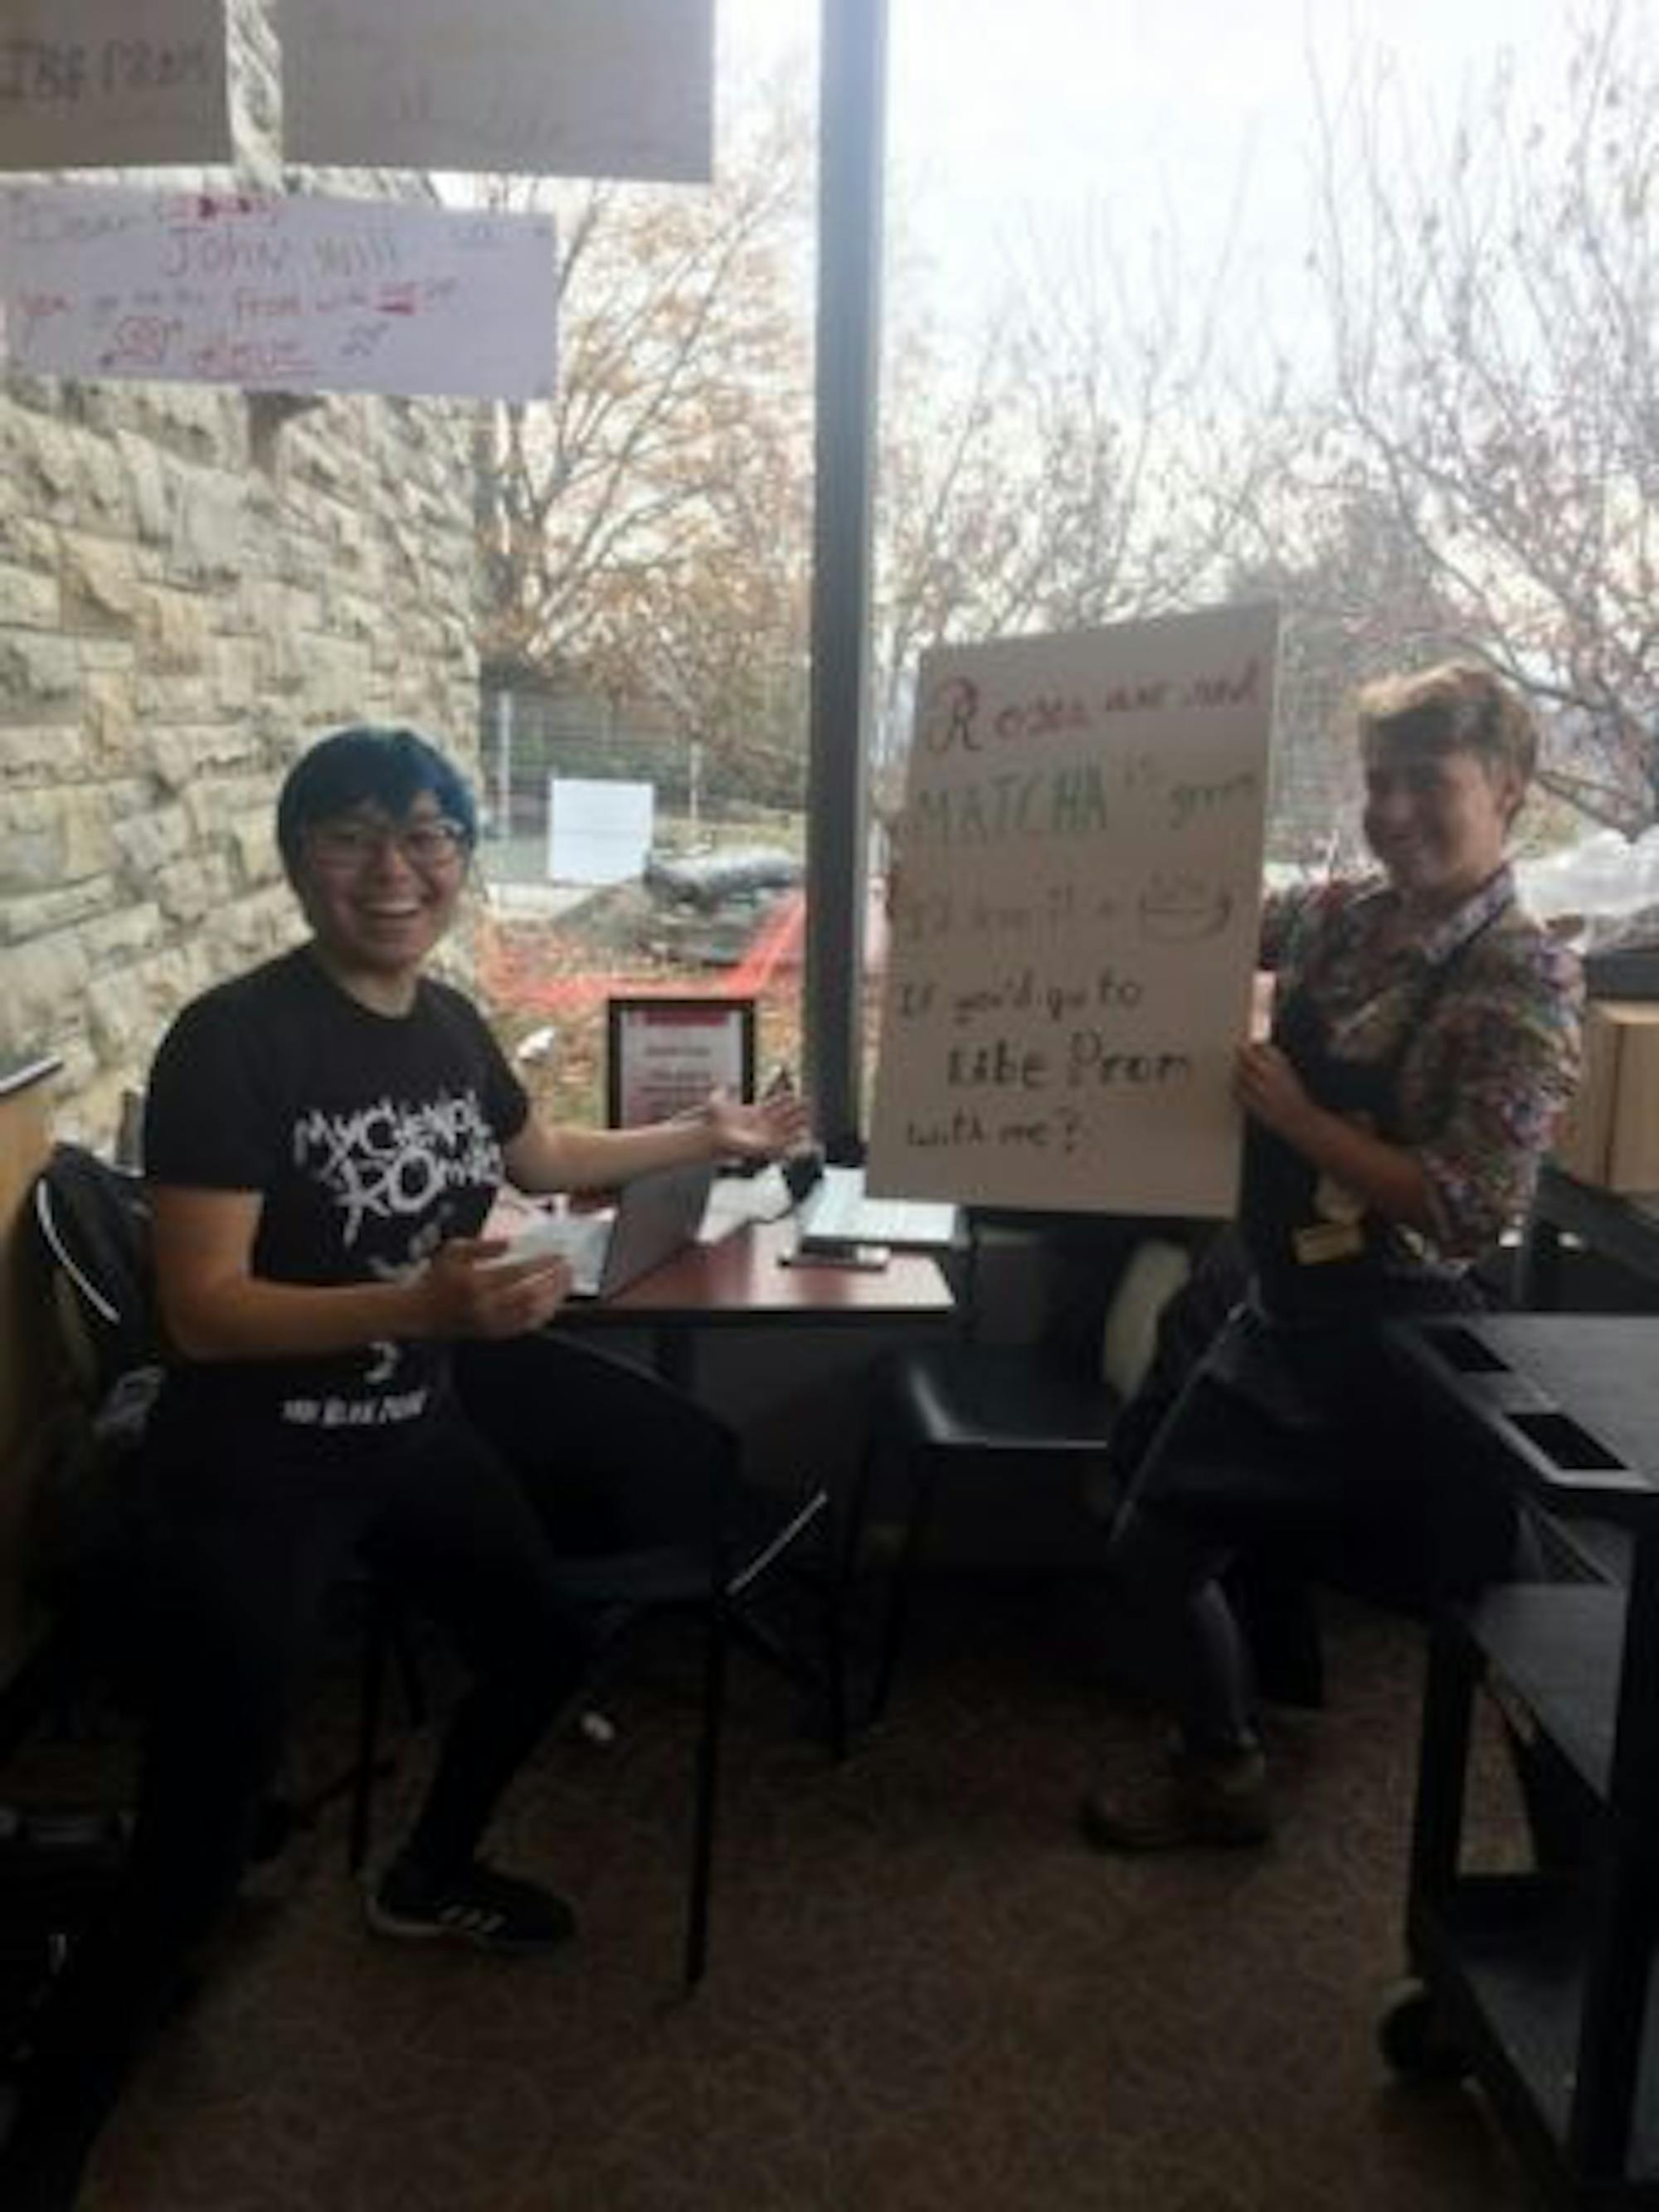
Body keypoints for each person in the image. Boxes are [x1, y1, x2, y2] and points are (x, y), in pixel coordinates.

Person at [1, 725, 807, 2209]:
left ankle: (425, 1876)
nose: (398, 869)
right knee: (194, 1841)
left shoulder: (442, 1022)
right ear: (299, 858)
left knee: (543, 1644)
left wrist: (715, 1128)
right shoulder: (232, 1042)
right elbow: (201, 1309)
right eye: (356, 836)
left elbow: (541, 1155)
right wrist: (420, 1309)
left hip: (411, 1438)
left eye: (431, 834)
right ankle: (46, 2135)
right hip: (249, 1477)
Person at [1078, 661, 1583, 1853]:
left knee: (1509, 1619)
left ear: (1508, 786)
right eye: (1378, 780)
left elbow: (1471, 1207)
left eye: (1429, 781)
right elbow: (1173, 910)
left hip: (1405, 1332)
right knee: (1151, 1544)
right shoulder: (1340, 917)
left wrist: (1305, 1124)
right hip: (1284, 1306)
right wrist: (990, 901)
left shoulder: (1527, 976)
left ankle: (1589, 1890)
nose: (1395, 809)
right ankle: (1222, 1767)